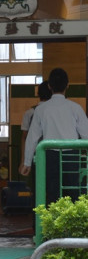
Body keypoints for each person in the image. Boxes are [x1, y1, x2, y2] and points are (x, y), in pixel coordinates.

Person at [21, 68, 88, 204]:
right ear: (68, 85)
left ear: (49, 86)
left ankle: (53, 225)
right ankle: (73, 225)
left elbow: (32, 137)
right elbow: (86, 135)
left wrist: (27, 162)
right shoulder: (75, 108)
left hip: (50, 156)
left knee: (52, 196)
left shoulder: (41, 110)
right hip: (72, 156)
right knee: (74, 195)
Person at [19, 81, 51, 175]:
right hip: (54, 155)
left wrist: (23, 161)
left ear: (38, 94)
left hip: (35, 155)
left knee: (37, 185)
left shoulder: (29, 112)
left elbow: (24, 137)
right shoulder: (56, 112)